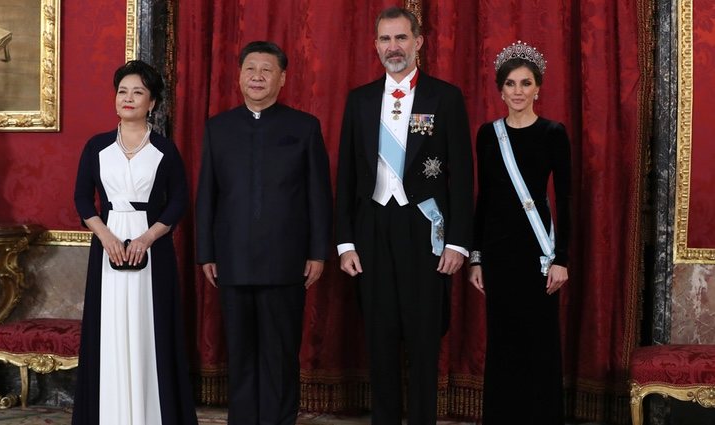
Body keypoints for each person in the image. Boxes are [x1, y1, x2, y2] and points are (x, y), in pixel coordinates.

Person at [335, 7, 473, 424]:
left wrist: (458, 241)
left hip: (425, 230)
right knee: (379, 339)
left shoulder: (444, 97)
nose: (392, 47)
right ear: (375, 45)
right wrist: (345, 242)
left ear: (419, 41)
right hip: (372, 229)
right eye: (384, 40)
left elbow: (463, 176)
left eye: (400, 38)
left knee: (424, 338)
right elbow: (346, 175)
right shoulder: (359, 100)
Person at [195, 41, 332, 425]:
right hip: (232, 259)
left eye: (266, 69)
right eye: (250, 68)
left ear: (282, 78)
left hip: (286, 262)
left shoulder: (304, 127)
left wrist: (318, 252)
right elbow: (208, 194)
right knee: (240, 351)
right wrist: (206, 252)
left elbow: (319, 195)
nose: (257, 76)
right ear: (239, 75)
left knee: (280, 352)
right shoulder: (218, 128)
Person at [72, 60, 197, 425]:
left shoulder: (164, 150)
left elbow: (179, 201)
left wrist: (147, 237)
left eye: (137, 92)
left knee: (149, 330)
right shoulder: (95, 147)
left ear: (152, 102)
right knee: (107, 329)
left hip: (152, 248)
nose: (128, 98)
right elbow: (82, 198)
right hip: (107, 245)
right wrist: (106, 235)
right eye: (122, 91)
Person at [468, 41, 571, 424]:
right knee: (503, 344)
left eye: (525, 83)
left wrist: (561, 259)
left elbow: (567, 200)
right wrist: (476, 256)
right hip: (498, 255)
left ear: (537, 88)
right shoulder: (487, 134)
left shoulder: (553, 134)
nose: (517, 91)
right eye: (510, 84)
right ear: (500, 90)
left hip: (539, 256)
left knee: (540, 344)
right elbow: (485, 199)